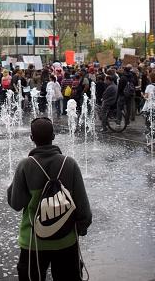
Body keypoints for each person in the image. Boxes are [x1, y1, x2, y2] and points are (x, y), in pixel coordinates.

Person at [7, 117, 92, 281]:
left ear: (32, 138)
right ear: (53, 136)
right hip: (66, 241)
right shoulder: (70, 164)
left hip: (33, 242)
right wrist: (80, 229)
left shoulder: (25, 165)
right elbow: (83, 207)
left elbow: (15, 203)